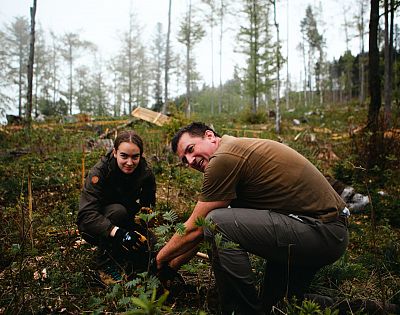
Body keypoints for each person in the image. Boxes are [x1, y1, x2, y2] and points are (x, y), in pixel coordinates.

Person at [155, 122, 349, 314]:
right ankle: (359, 308)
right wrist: (170, 269)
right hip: (316, 231)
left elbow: (197, 228)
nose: (190, 161)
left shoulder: (223, 158)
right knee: (277, 305)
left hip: (321, 231)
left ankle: (239, 311)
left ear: (210, 136)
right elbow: (199, 234)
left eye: (191, 149)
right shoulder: (234, 150)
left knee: (217, 222)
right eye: (184, 160)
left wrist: (158, 260)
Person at [77, 130, 156, 284]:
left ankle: (125, 259)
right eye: (124, 156)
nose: (129, 162)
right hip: (98, 224)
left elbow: (148, 206)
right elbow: (85, 216)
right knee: (117, 212)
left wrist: (146, 219)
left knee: (150, 244)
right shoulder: (100, 171)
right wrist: (119, 233)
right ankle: (104, 265)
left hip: (126, 219)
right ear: (114, 152)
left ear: (141, 155)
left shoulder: (145, 173)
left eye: (135, 157)